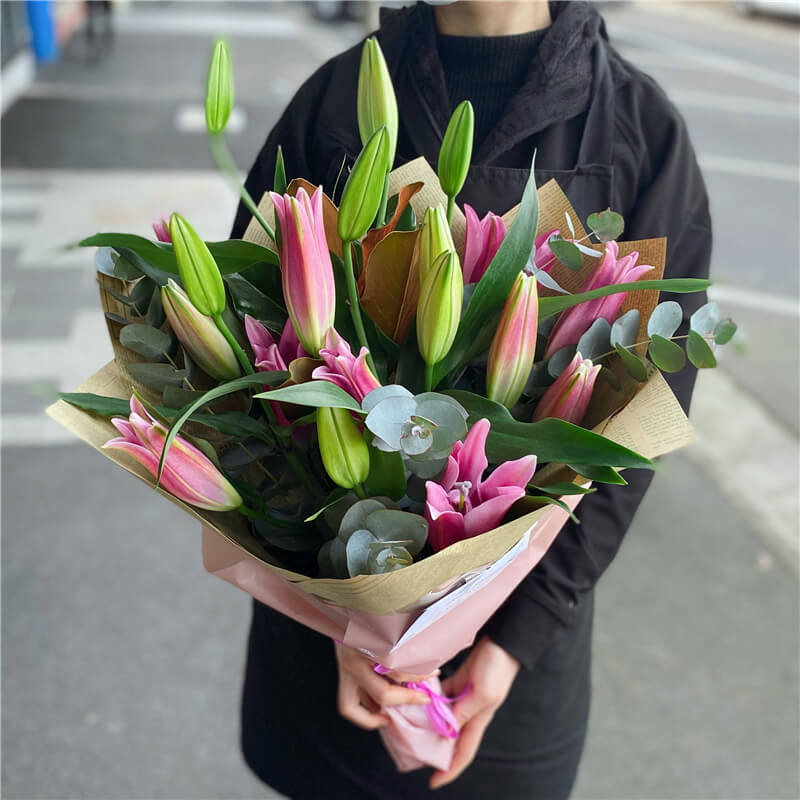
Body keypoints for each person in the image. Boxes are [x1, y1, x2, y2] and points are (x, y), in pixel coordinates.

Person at [230, 2, 711, 798]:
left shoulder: (638, 131)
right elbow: (246, 367)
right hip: (326, 643)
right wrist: (348, 627)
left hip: (511, 660)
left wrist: (511, 645)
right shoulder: (337, 98)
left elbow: (640, 425)